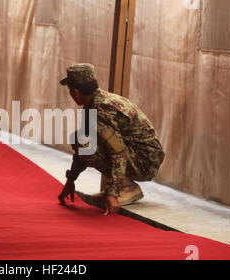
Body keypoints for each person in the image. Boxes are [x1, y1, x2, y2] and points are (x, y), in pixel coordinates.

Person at [58, 63, 165, 215]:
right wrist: (71, 180)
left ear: (75, 92)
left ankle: (125, 188)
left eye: (70, 90)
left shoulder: (101, 110)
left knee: (82, 140)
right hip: (139, 155)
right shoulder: (95, 103)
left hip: (144, 162)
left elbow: (118, 151)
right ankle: (121, 185)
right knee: (83, 139)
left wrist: (112, 194)